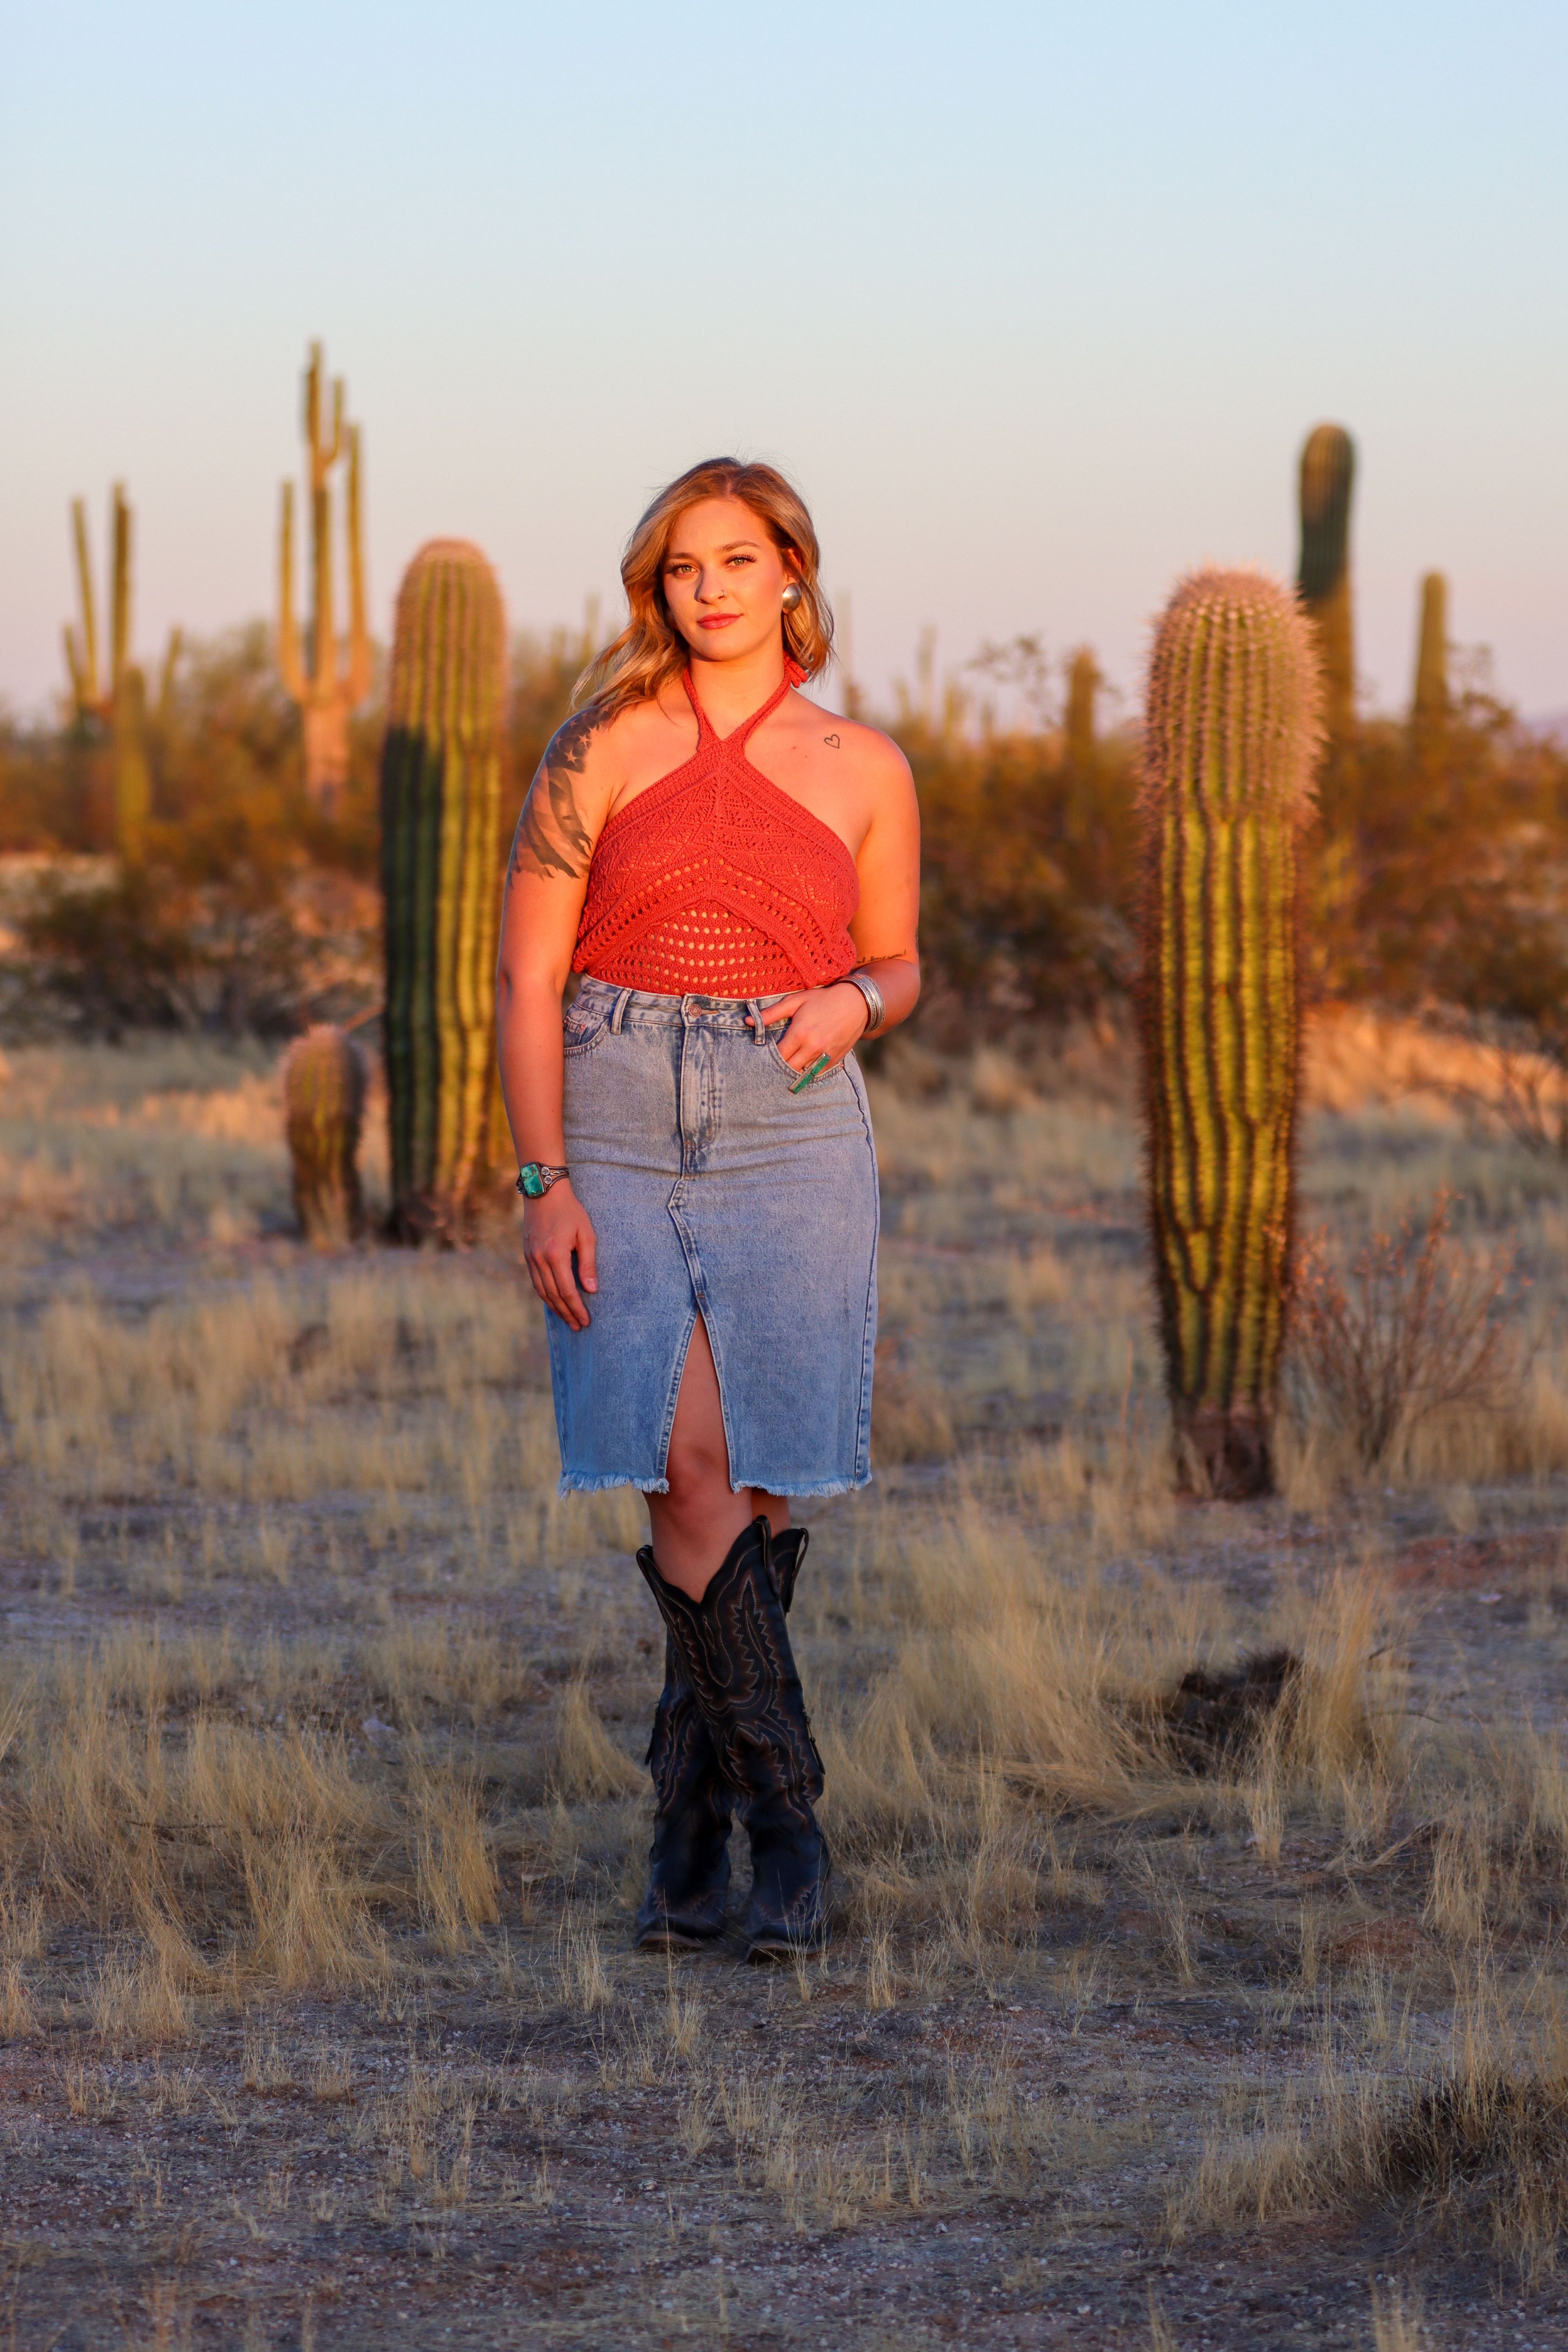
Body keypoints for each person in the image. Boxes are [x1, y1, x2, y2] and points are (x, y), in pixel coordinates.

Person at [495, 458, 920, 1961]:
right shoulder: (597, 748)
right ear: (657, 588)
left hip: (789, 1118)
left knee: (759, 1472)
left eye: (742, 560)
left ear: (795, 572)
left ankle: (687, 1814)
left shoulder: (864, 763)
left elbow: (903, 961)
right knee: (680, 1463)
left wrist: (858, 1001)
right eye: (687, 567)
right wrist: (541, 1181)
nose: (715, 587)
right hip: (611, 1098)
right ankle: (788, 1820)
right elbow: (528, 978)